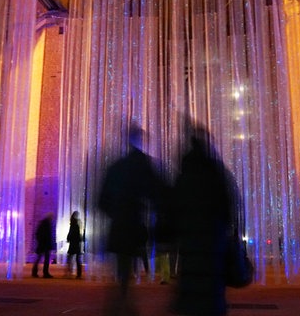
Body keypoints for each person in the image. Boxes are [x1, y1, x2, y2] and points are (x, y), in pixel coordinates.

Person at [98, 122, 168, 314]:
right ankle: (123, 305)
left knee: (122, 268)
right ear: (140, 140)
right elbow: (158, 192)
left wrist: (116, 213)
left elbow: (102, 200)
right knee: (126, 269)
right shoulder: (142, 164)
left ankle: (119, 304)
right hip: (133, 226)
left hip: (119, 226)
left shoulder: (117, 166)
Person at [172, 126, 238, 316]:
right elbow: (229, 206)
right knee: (212, 295)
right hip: (213, 245)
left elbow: (172, 210)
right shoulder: (217, 173)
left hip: (189, 248)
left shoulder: (183, 176)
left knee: (192, 295)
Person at [32, 212, 55, 278]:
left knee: (39, 259)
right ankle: (45, 273)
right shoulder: (46, 224)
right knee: (45, 259)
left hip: (42, 244)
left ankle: (35, 272)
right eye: (52, 217)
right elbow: (46, 235)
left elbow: (38, 233)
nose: (52, 218)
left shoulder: (43, 223)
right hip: (45, 244)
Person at [66, 211, 83, 279]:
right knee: (77, 259)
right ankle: (78, 274)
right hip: (76, 243)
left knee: (70, 258)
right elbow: (76, 234)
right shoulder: (76, 224)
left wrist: (68, 238)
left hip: (73, 243)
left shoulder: (73, 223)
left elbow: (70, 233)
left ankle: (69, 272)